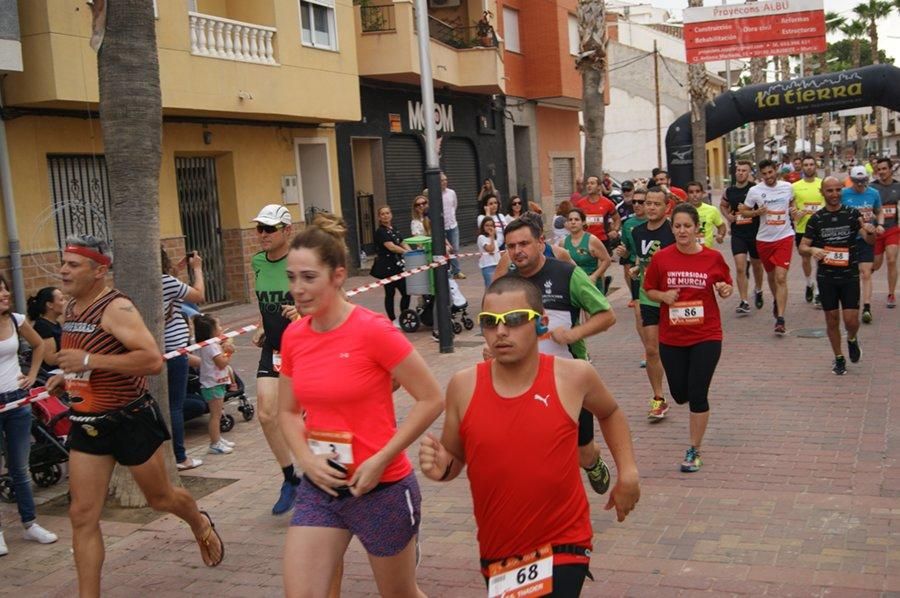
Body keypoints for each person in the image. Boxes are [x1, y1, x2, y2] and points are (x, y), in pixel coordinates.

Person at [420, 276, 640, 597]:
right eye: (490, 323)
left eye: (515, 319)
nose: (502, 332)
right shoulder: (462, 386)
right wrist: (440, 466)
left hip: (565, 542)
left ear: (541, 323)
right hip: (498, 550)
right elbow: (454, 461)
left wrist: (628, 473)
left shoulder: (574, 376)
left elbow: (610, 412)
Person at [277, 214, 443, 598]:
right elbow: (286, 411)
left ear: (337, 276)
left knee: (400, 594)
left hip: (381, 488)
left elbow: (431, 397)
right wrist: (306, 458)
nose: (297, 289)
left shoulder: (373, 331)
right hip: (323, 487)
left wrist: (382, 458)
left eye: (308, 277)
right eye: (291, 277)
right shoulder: (294, 337)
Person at [48, 235, 223, 596]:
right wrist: (66, 378)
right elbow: (86, 362)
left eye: (73, 264)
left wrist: (88, 361)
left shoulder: (117, 308)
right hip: (87, 423)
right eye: (63, 263)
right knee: (82, 515)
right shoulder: (71, 309)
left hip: (129, 419)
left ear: (99, 270)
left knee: (161, 499)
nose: (63, 270)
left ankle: (199, 522)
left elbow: (152, 361)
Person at [496, 215, 616, 495]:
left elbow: (607, 316)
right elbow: (495, 325)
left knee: (582, 452)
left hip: (570, 377)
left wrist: (574, 335)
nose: (517, 251)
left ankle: (592, 461)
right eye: (511, 246)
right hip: (525, 381)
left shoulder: (566, 274)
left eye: (524, 243)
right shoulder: (508, 284)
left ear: (541, 243)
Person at [643, 204, 733, 473]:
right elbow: (648, 289)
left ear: (697, 229)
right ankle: (678, 400)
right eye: (678, 226)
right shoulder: (661, 258)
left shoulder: (712, 258)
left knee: (697, 393)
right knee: (680, 393)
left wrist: (725, 289)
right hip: (672, 337)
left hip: (706, 334)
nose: (682, 231)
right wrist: (663, 296)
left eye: (687, 226)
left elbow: (724, 284)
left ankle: (694, 448)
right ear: (673, 229)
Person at [250, 204, 302, 515]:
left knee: (306, 419)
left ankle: (320, 477)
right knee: (266, 414)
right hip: (274, 346)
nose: (263, 235)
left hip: (305, 347)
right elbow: (265, 300)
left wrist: (303, 314)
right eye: (260, 228)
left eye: (270, 229)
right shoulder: (257, 261)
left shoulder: (299, 261)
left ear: (287, 231)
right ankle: (290, 479)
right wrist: (261, 324)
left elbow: (331, 301)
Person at [0, 275, 57, 557]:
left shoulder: (15, 320)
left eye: (4, 287)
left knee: (20, 468)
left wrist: (33, 375)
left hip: (17, 401)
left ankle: (30, 523)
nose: (3, 293)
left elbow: (39, 346)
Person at [800, 177, 877, 374]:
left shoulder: (852, 214)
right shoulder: (816, 219)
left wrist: (871, 232)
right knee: (832, 320)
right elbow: (803, 246)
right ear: (822, 192)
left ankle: (852, 338)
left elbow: (868, 240)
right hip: (827, 278)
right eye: (830, 191)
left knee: (851, 321)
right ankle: (839, 357)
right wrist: (813, 250)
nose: (834, 195)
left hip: (849, 275)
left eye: (837, 190)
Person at [617, 188, 675, 418]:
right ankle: (658, 398)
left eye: (655, 204)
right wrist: (635, 267)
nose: (650, 207)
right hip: (648, 296)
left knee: (675, 349)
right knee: (652, 350)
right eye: (647, 203)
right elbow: (641, 259)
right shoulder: (638, 231)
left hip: (672, 297)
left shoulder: (672, 231)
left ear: (666, 207)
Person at [161, 247, 206, 471]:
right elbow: (198, 294)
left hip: (160, 351)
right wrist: (197, 269)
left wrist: (177, 270)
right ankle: (180, 456)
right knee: (175, 406)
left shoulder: (153, 281)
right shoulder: (166, 282)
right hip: (173, 352)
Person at [740, 159, 796, 335]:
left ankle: (780, 319)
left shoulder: (787, 187)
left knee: (781, 277)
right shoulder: (755, 191)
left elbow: (792, 204)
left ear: (776, 170)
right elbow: (744, 211)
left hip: (785, 236)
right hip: (764, 239)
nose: (768, 177)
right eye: (764, 174)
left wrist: (794, 211)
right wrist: (757, 212)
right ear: (760, 175)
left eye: (770, 173)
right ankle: (776, 300)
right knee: (771, 276)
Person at [720, 160, 764, 313]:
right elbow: (723, 205)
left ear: (749, 173)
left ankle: (758, 289)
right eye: (738, 170)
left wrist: (751, 213)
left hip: (755, 233)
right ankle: (744, 301)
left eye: (744, 170)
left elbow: (763, 209)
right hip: (738, 233)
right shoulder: (729, 191)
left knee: (757, 265)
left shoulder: (755, 189)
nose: (740, 173)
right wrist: (728, 217)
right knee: (740, 267)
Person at [841, 166, 884, 324]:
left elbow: (879, 211)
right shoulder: (844, 194)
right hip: (848, 239)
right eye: (857, 181)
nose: (860, 185)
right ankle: (850, 304)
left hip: (867, 238)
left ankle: (866, 307)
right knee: (850, 274)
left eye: (863, 181)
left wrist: (879, 224)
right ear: (851, 180)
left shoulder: (873, 193)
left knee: (866, 272)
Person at [193, 314, 237, 455]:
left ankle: (218, 438)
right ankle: (214, 443)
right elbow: (222, 363)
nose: (221, 328)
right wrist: (228, 353)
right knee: (216, 415)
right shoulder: (211, 346)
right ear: (211, 330)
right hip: (212, 384)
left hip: (214, 383)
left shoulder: (210, 344)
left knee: (218, 413)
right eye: (218, 326)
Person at [615, 186, 649, 366]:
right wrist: (623, 252)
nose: (636, 205)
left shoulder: (658, 222)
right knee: (639, 313)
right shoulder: (628, 224)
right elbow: (627, 250)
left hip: (656, 271)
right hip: (637, 272)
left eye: (641, 202)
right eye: (634, 202)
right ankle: (648, 350)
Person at [574, 175, 621, 293]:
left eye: (592, 183)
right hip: (585, 241)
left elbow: (617, 218)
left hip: (602, 240)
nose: (589, 186)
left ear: (599, 187)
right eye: (587, 183)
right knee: (585, 269)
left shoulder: (607, 203)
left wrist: (615, 230)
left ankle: (601, 294)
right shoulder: (580, 204)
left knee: (600, 270)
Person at [791, 156, 824, 304]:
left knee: (820, 259)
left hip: (820, 228)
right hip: (802, 229)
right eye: (806, 165)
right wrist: (795, 213)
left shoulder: (822, 184)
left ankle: (818, 291)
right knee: (805, 259)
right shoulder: (795, 186)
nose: (809, 167)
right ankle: (809, 283)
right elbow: (792, 208)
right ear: (801, 167)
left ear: (815, 166)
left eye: (811, 164)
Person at [373, 206, 412, 328]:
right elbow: (391, 247)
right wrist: (405, 252)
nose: (385, 216)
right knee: (390, 293)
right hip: (387, 267)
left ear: (391, 214)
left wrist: (411, 252)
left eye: (387, 213)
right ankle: (392, 319)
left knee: (406, 292)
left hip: (398, 265)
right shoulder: (380, 232)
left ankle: (403, 315)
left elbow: (401, 242)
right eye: (382, 214)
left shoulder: (394, 228)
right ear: (379, 217)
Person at [870, 157, 899, 308]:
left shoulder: (897, 186)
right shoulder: (872, 188)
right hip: (876, 231)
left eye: (884, 169)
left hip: (893, 229)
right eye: (879, 169)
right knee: (876, 265)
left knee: (892, 259)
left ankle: (891, 294)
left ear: (890, 169)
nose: (881, 172)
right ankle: (865, 277)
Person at [561, 208, 612, 291]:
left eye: (576, 219)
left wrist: (594, 276)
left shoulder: (592, 240)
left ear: (583, 222)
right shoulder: (563, 243)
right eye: (570, 220)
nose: (573, 222)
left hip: (591, 284)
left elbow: (607, 260)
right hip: (574, 285)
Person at [26, 286, 65, 382]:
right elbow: (50, 359)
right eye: (61, 300)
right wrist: (76, 350)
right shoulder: (42, 326)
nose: (65, 302)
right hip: (50, 375)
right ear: (50, 305)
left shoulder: (55, 323)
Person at [686, 182, 725, 249]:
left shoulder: (712, 210)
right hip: (688, 250)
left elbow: (721, 226)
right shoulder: (682, 210)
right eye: (691, 192)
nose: (695, 195)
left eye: (697, 191)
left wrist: (720, 235)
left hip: (707, 250)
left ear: (702, 193)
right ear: (687, 194)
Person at [441, 172, 465, 279]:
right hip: (442, 227)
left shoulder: (451, 192)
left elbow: (454, 205)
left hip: (453, 225)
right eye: (442, 180)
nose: (444, 182)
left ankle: (456, 271)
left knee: (455, 248)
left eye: (445, 180)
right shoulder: (435, 195)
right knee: (446, 249)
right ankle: (449, 270)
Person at [477, 217, 502, 287]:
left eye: (491, 225)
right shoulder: (481, 237)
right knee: (490, 288)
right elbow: (491, 249)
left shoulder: (494, 238)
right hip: (488, 266)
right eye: (487, 225)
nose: (489, 228)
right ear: (483, 227)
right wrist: (492, 236)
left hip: (497, 264)